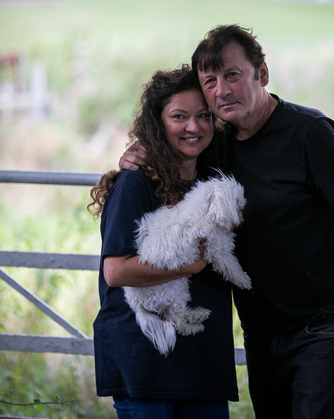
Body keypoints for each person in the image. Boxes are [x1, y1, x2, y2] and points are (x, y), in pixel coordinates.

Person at [119, 25, 334, 419]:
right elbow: (175, 138)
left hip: (322, 333)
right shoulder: (216, 145)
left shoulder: (311, 135)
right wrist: (140, 151)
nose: (221, 90)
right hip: (260, 334)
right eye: (210, 82)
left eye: (233, 75)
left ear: (262, 74)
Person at [88, 65, 238, 419]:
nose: (193, 126)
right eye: (178, 116)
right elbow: (116, 271)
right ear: (158, 124)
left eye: (204, 115)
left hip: (203, 366)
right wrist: (193, 263)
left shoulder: (217, 184)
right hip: (148, 365)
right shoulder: (135, 185)